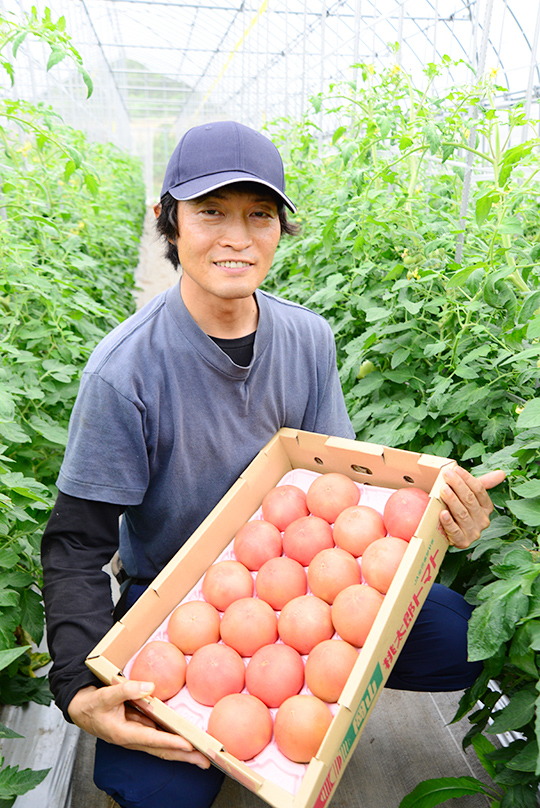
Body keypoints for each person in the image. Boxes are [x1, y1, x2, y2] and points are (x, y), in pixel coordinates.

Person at [41, 120, 504, 808]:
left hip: (312, 580)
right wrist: (79, 686)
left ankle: (299, 691)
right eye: (210, 213)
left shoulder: (307, 338)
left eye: (259, 214)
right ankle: (260, 704)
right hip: (177, 601)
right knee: (150, 787)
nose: (237, 237)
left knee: (474, 644)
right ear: (168, 220)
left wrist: (439, 527)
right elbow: (77, 544)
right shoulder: (125, 370)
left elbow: (341, 489)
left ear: (281, 229)